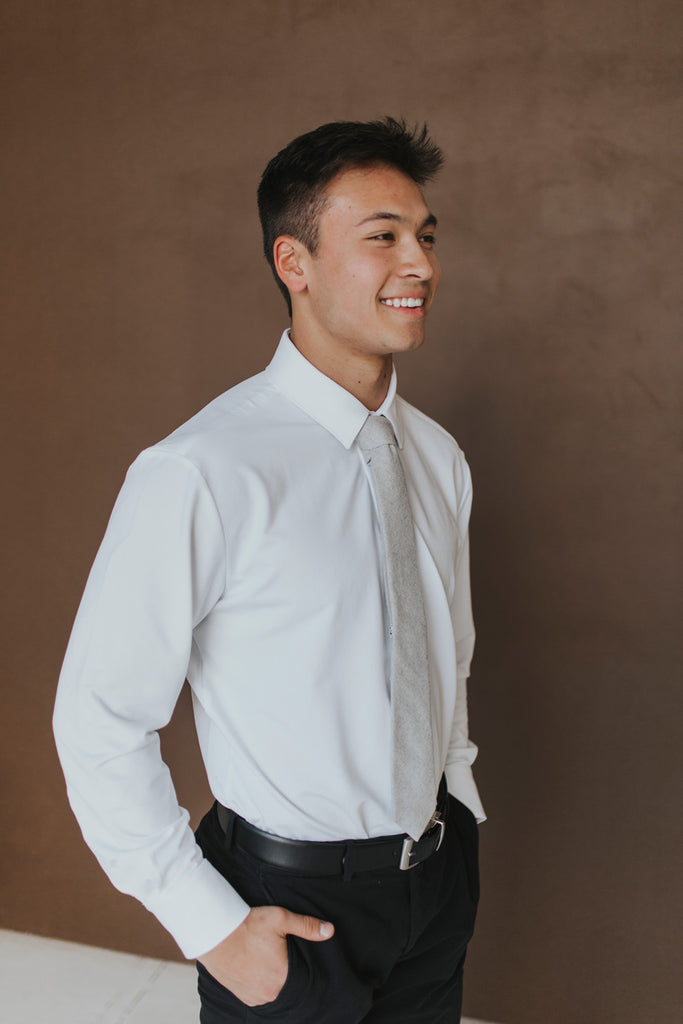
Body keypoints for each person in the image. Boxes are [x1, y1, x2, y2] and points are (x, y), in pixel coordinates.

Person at [53, 117, 485, 1023]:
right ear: (295, 262)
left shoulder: (438, 457)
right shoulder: (203, 470)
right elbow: (98, 721)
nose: (419, 265)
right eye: (382, 239)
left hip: (433, 891)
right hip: (290, 911)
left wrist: (458, 812)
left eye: (425, 236)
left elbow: (447, 654)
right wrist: (208, 926)